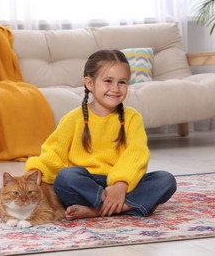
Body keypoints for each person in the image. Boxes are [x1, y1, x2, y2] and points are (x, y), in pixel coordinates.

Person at [25, 49, 176, 220]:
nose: (115, 88)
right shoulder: (73, 119)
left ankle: (97, 210)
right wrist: (37, 170)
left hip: (123, 185)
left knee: (165, 180)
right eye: (108, 81)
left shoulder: (132, 117)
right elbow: (53, 151)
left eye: (122, 82)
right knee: (65, 178)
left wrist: (120, 185)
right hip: (85, 185)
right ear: (89, 83)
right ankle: (122, 205)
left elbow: (136, 153)